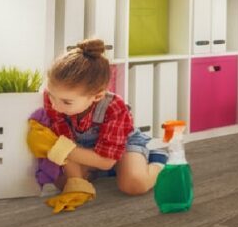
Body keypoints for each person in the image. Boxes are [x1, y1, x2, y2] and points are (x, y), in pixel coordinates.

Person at [26, 38, 167, 213]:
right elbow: (66, 140)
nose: (55, 106)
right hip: (83, 147)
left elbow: (105, 160)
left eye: (66, 102)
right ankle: (106, 170)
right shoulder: (55, 100)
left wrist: (58, 148)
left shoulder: (114, 107)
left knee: (134, 184)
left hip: (120, 147)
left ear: (97, 96)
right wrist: (76, 185)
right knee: (62, 183)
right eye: (52, 96)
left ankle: (158, 161)